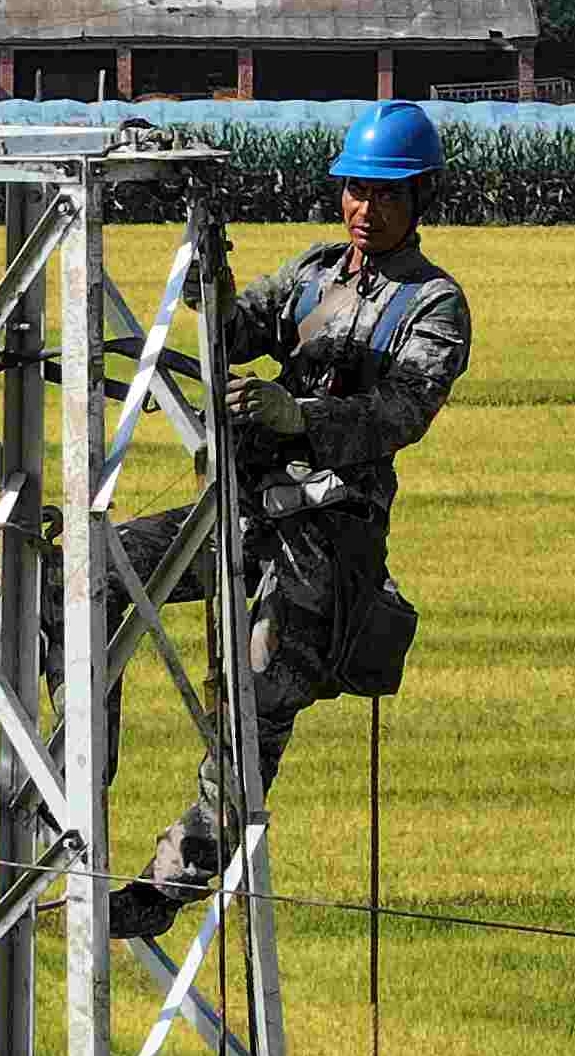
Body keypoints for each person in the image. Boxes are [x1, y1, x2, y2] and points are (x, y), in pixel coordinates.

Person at [87, 99, 475, 939]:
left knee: (256, 702)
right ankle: (73, 770)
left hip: (324, 538)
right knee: (93, 570)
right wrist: (211, 269)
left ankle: (168, 886)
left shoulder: (434, 305)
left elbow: (402, 411)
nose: (365, 208)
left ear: (421, 198)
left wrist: (296, 413)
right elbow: (234, 329)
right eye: (356, 190)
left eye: (386, 194)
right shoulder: (314, 273)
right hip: (243, 510)